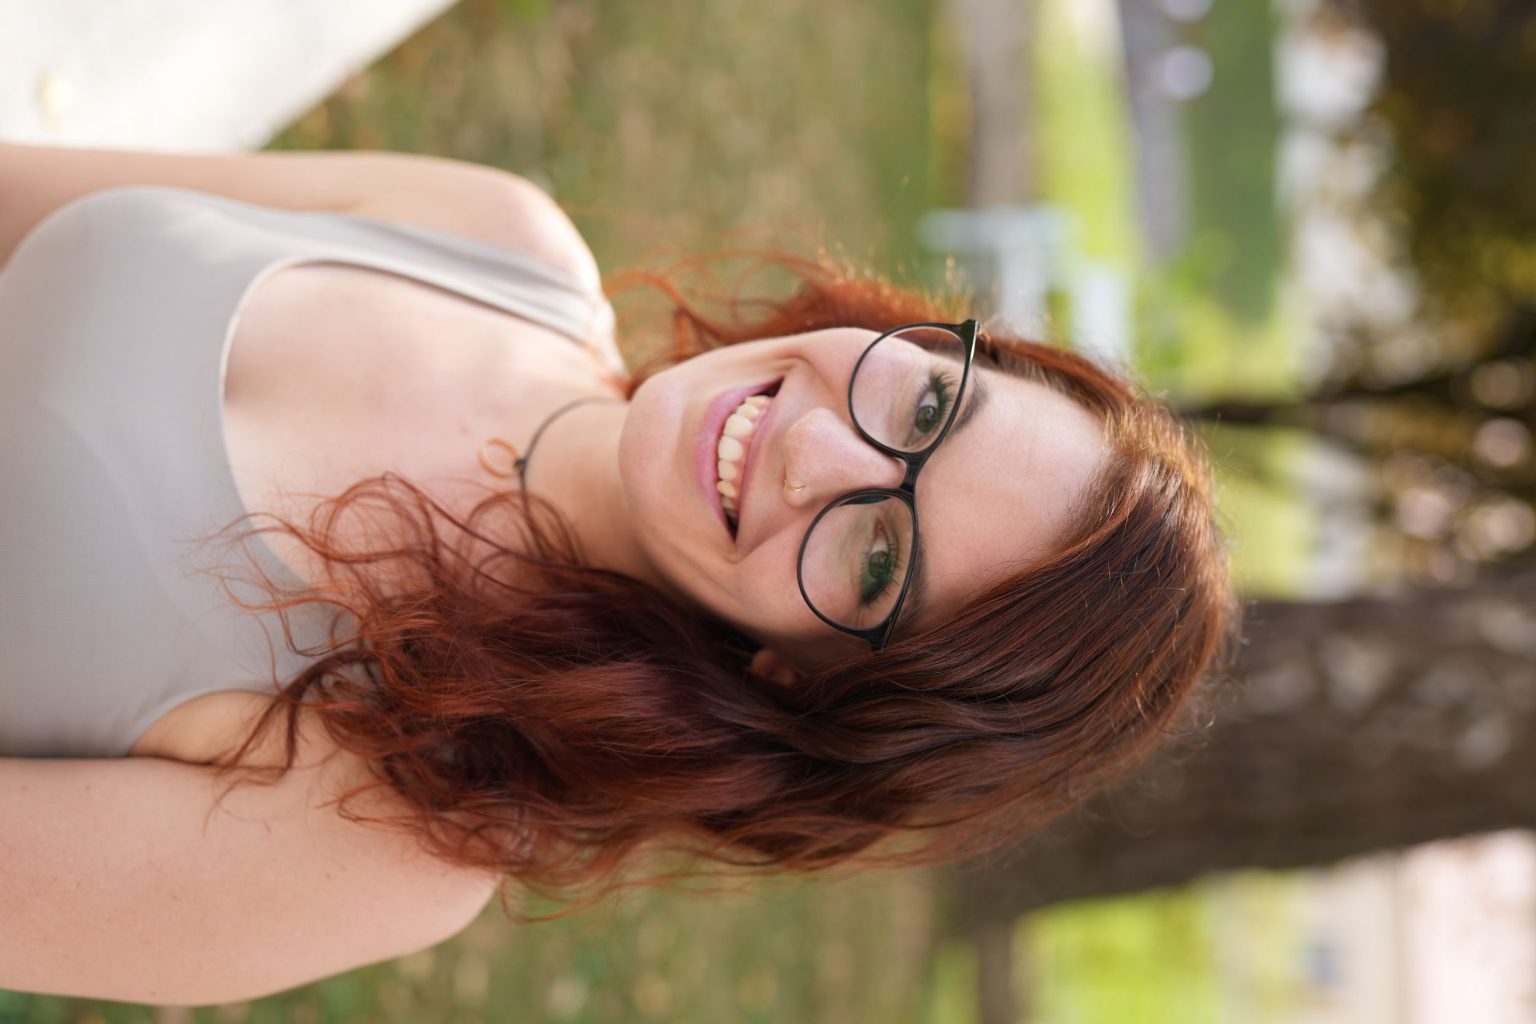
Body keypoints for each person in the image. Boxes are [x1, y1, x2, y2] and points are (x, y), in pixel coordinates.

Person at [0, 141, 1236, 1005]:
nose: (815, 445)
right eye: (927, 404)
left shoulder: (398, 828)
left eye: (877, 555)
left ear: (804, 685)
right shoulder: (498, 239)